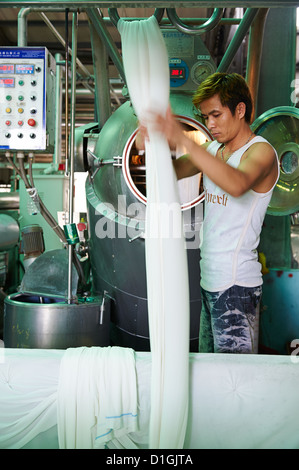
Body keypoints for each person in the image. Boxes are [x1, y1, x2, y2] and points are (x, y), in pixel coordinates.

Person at [139, 72, 279, 354]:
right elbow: (172, 173)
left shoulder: (262, 152)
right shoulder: (215, 149)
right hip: (209, 279)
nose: (210, 124)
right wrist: (151, 144)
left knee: (232, 381)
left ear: (240, 110)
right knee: (210, 372)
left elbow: (237, 184)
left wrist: (184, 140)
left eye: (216, 115)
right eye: (205, 118)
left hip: (237, 284)